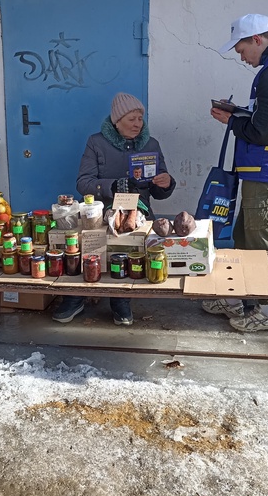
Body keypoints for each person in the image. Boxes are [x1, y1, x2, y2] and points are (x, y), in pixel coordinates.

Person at [202, 14, 268, 332]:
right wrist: (241, 114)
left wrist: (232, 121)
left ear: (257, 40)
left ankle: (266, 311)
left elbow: (264, 132)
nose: (242, 57)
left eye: (241, 50)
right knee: (244, 235)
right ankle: (235, 297)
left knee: (261, 240)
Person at [53, 92, 176, 326]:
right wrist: (112, 185)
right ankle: (75, 296)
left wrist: (167, 183)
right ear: (116, 121)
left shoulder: (151, 145)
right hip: (100, 210)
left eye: (140, 118)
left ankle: (120, 298)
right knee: (86, 247)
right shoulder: (96, 142)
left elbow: (159, 192)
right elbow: (83, 182)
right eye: (131, 119)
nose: (137, 124)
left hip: (137, 211)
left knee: (127, 250)